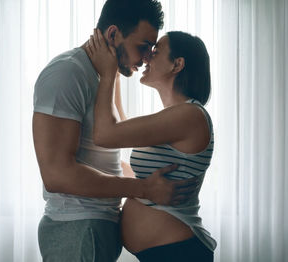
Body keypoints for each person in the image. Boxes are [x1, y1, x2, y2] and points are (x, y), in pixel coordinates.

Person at [32, 0, 200, 261]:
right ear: (113, 34)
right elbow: (56, 175)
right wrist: (143, 189)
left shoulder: (102, 76)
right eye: (143, 47)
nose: (146, 58)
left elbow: (103, 158)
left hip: (97, 227)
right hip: (78, 227)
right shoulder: (67, 73)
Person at [86, 29, 217, 261]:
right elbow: (123, 127)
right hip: (166, 252)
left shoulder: (190, 116)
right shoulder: (176, 117)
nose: (147, 57)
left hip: (179, 253)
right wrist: (115, 73)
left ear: (177, 65)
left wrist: (106, 75)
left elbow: (107, 134)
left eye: (156, 51)